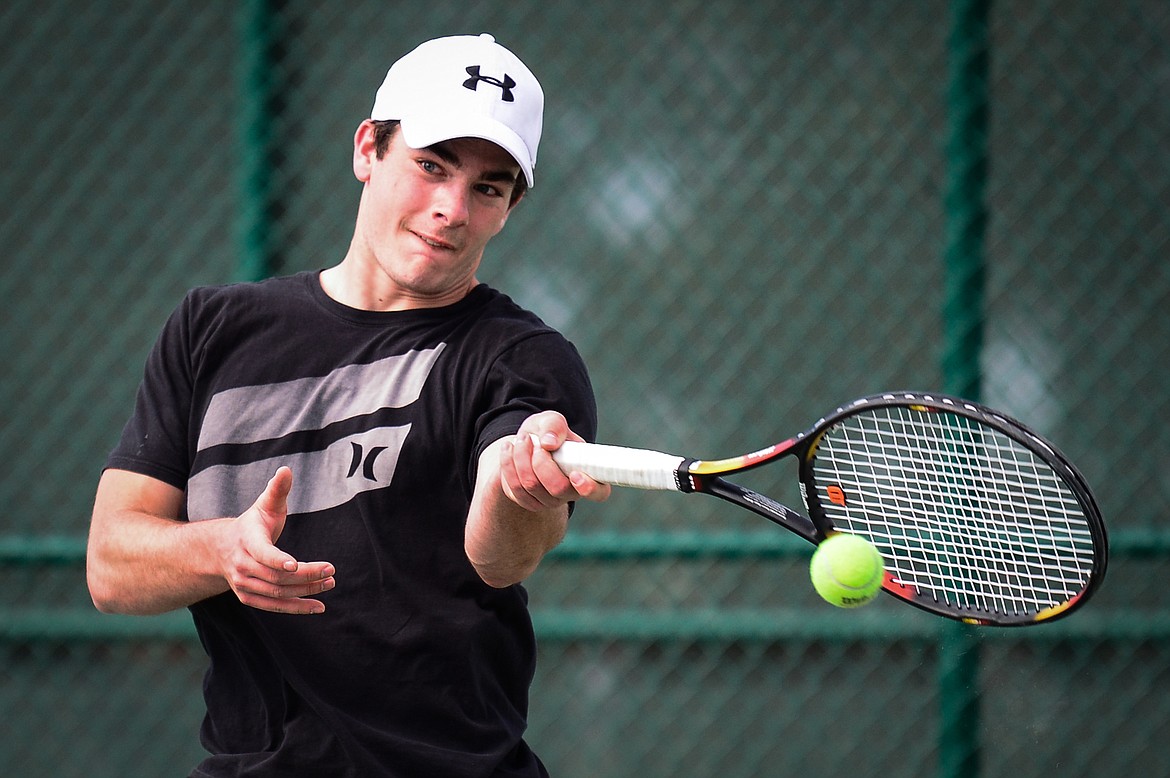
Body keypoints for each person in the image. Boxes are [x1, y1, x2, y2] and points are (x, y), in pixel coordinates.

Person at [86, 33, 610, 777]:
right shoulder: (211, 330)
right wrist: (222, 550)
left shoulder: (521, 359)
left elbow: (501, 557)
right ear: (368, 149)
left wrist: (518, 488)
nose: (451, 209)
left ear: (509, 208)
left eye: (487, 188)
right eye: (431, 166)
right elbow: (111, 567)